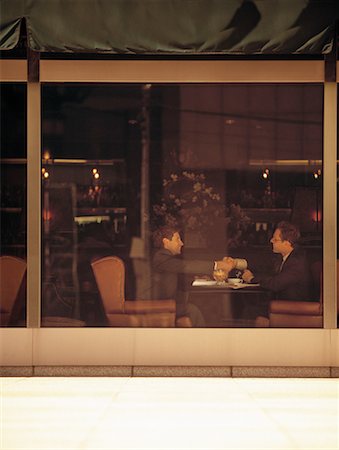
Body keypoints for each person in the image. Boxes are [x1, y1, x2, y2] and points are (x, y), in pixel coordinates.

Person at [152, 225, 233, 327]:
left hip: (169, 303)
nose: (181, 243)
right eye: (177, 239)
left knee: (198, 307)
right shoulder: (160, 258)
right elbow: (186, 266)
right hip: (160, 305)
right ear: (166, 242)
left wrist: (200, 278)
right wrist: (218, 265)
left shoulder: (166, 259)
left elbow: (179, 278)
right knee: (194, 310)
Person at [241, 221, 311, 301]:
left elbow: (275, 284)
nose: (271, 241)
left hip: (292, 308)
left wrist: (251, 278)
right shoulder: (282, 257)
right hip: (280, 304)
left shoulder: (297, 262)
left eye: (275, 239)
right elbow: (267, 272)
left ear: (287, 243)